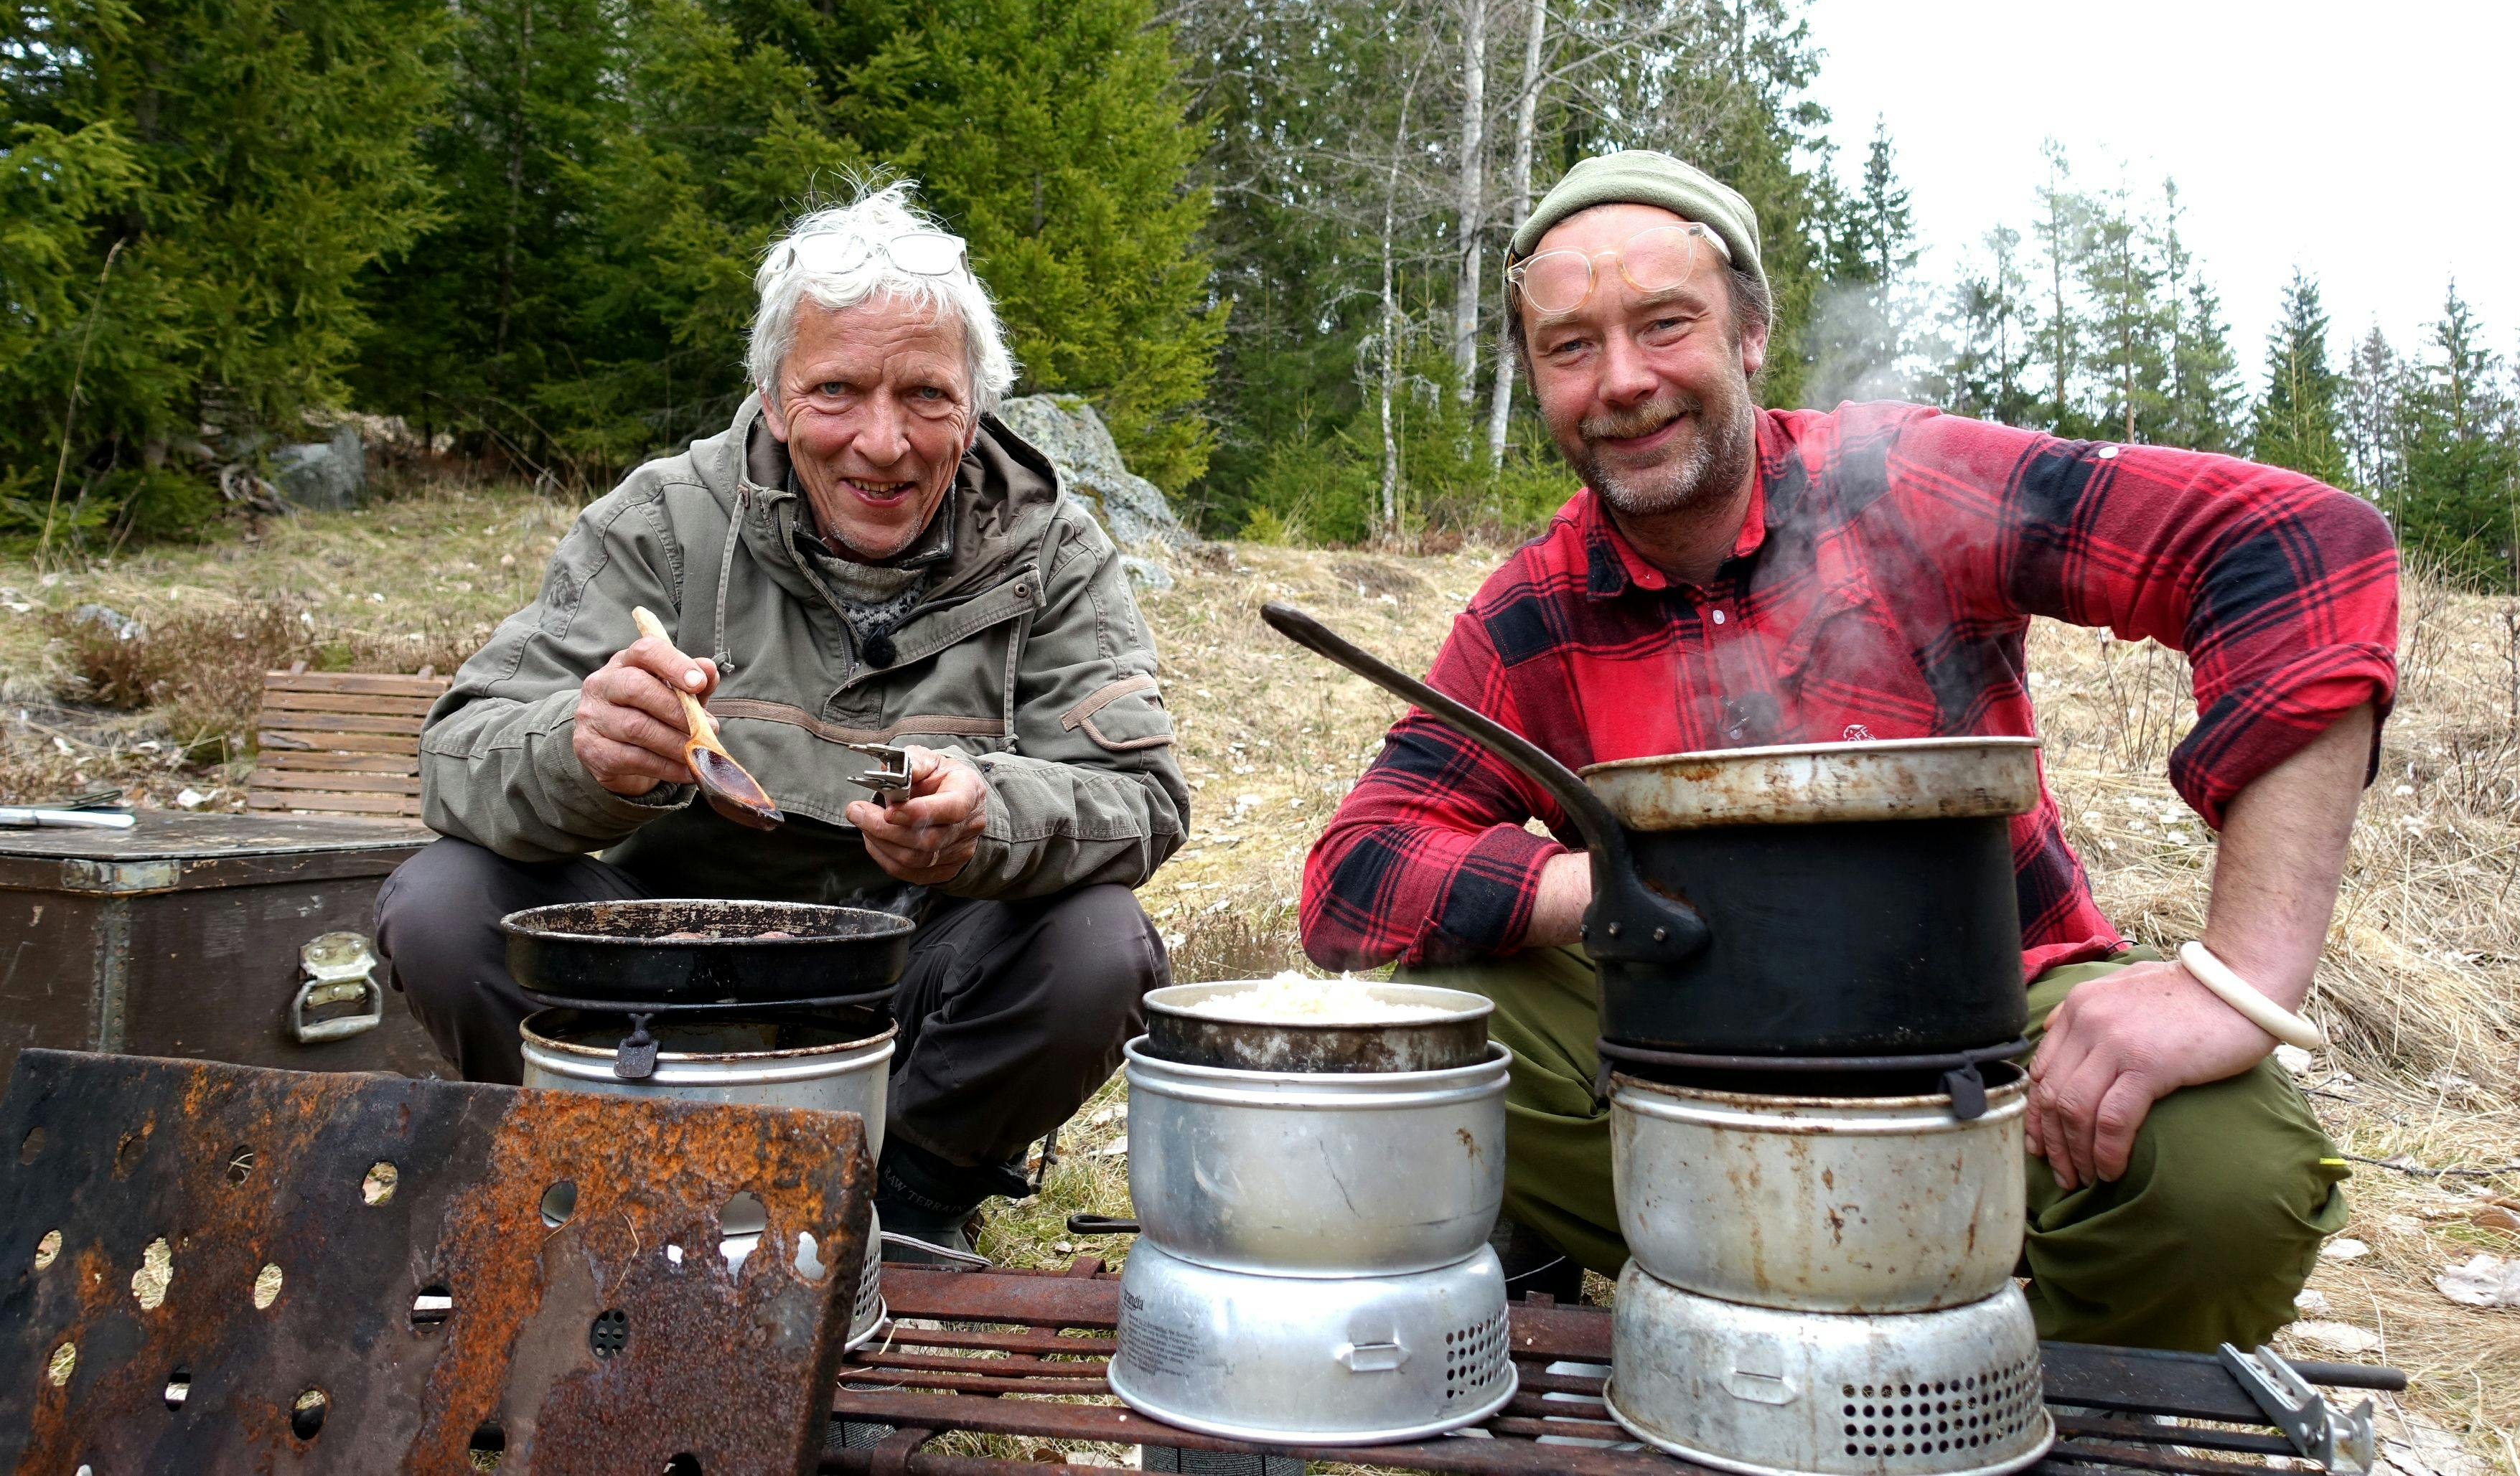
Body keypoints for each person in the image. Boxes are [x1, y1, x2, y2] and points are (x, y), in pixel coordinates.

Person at [1297, 149, 2397, 1350]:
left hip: (1992, 1010)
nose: (1621, 381)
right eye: (1570, 347)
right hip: (1688, 1050)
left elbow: (2302, 547)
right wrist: (1604, 886)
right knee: (1435, 1031)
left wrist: (2235, 982)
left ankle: (2034, 1379)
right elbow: (1352, 873)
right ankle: (1740, 1322)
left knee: (2224, 1183)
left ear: (1751, 332)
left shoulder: (1902, 480)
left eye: (1666, 325)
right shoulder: (1537, 609)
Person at [379, 181, 1188, 1259]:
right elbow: (457, 750)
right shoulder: (664, 520)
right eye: (837, 391)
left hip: (917, 971)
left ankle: (899, 1205)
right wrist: (582, 752)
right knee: (440, 901)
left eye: (927, 396)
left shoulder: (1051, 550)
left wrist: (988, 813)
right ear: (770, 397)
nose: (884, 443)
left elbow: (1143, 797)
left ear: (978, 404)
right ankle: (626, 1185)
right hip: (662, 969)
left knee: (1099, 946)